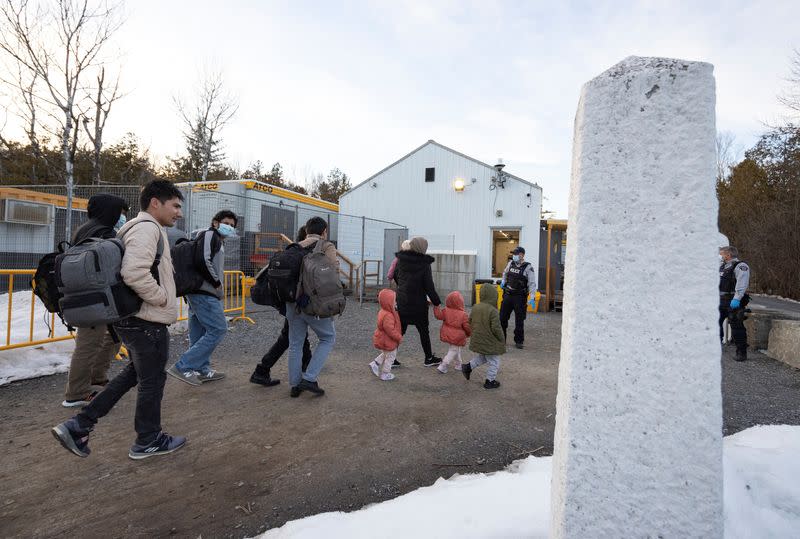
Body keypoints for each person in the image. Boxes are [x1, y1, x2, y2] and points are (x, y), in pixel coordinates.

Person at [52, 180, 186, 460]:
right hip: (146, 321)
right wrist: (161, 297)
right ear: (155, 203)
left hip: (135, 319)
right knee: (152, 381)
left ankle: (79, 424)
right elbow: (134, 272)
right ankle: (147, 439)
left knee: (133, 375)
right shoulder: (148, 229)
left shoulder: (138, 228)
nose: (178, 213)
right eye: (175, 205)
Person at [61, 194, 129, 407]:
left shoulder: (85, 229)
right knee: (88, 343)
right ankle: (76, 393)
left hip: (94, 296)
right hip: (95, 298)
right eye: (120, 212)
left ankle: (97, 377)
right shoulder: (103, 233)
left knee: (114, 336)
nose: (123, 217)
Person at [167, 210, 237, 385]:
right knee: (218, 329)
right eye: (226, 223)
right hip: (204, 291)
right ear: (215, 222)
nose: (229, 227)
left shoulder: (216, 240)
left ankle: (201, 369)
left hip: (199, 291)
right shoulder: (209, 235)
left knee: (199, 332)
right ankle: (183, 365)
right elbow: (203, 260)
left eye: (232, 225)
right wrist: (216, 283)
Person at [250, 226, 313, 387]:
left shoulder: (290, 252)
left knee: (296, 334)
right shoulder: (302, 255)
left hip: (280, 299)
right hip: (288, 302)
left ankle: (307, 365)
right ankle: (262, 370)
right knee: (289, 336)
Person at [286, 216, 339, 397]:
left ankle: (295, 385)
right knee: (328, 338)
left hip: (292, 303)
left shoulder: (294, 246)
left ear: (306, 230)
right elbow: (333, 270)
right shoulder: (326, 246)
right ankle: (309, 378)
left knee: (295, 344)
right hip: (314, 304)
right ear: (324, 231)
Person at [393, 236, 442, 367]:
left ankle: (391, 358)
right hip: (418, 304)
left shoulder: (401, 260)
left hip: (403, 301)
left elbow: (394, 275)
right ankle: (429, 358)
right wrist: (437, 302)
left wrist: (402, 288)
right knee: (423, 331)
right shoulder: (424, 264)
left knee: (399, 331)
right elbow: (429, 286)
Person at [462, 283, 505, 389]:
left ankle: (468, 367)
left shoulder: (476, 307)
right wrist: (501, 338)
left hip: (478, 338)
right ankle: (490, 381)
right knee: (494, 361)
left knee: (484, 357)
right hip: (490, 341)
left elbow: (470, 321)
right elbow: (496, 328)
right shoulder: (493, 310)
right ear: (493, 296)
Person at [499, 246, 536, 349]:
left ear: (522, 255)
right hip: (508, 294)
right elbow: (505, 273)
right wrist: (503, 281)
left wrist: (532, 297)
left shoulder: (528, 267)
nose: (514, 256)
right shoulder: (510, 263)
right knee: (502, 318)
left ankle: (519, 341)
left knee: (519, 320)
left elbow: (532, 284)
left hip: (519, 297)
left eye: (516, 254)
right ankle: (502, 340)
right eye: (513, 254)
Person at [719, 245, 750, 361]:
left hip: (733, 301)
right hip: (720, 301)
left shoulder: (740, 266)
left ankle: (741, 352)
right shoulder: (722, 266)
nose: (720, 256)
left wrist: (737, 298)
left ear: (728, 255)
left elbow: (742, 283)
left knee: (737, 327)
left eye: (722, 254)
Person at [433, 291, 471, 374]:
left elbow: (438, 316)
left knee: (455, 349)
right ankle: (443, 365)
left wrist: (436, 306)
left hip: (447, 333)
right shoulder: (463, 314)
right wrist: (469, 333)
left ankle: (459, 365)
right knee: (454, 350)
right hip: (458, 336)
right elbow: (467, 327)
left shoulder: (446, 311)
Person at [369, 288, 402, 381]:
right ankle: (385, 373)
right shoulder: (389, 315)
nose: (396, 302)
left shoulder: (383, 311)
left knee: (386, 353)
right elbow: (390, 330)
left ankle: (375, 363)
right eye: (394, 301)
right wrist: (398, 337)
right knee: (391, 356)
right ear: (388, 302)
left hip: (383, 338)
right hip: (387, 340)